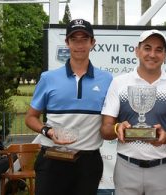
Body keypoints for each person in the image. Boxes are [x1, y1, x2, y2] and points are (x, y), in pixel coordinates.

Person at [25, 19, 112, 195]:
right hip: (52, 159)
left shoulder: (107, 80)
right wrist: (47, 131)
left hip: (88, 162)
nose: (79, 45)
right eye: (74, 39)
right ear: (67, 42)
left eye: (84, 39)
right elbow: (30, 118)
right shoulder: (48, 78)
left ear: (92, 43)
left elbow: (110, 121)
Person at [101, 29, 166, 195]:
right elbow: (105, 130)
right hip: (126, 168)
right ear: (137, 51)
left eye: (159, 50)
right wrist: (117, 128)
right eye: (147, 48)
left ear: (165, 54)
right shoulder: (119, 83)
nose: (152, 54)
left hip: (162, 170)